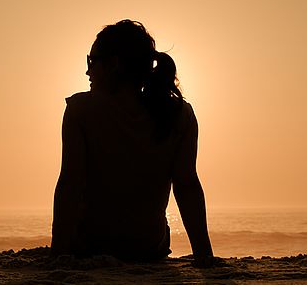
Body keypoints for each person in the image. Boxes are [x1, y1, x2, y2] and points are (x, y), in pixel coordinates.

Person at [51, 19, 214, 267]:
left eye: (91, 61)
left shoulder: (80, 110)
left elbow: (70, 184)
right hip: (149, 248)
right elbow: (187, 185)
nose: (87, 71)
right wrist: (204, 255)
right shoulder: (179, 113)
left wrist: (58, 254)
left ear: (113, 64)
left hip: (91, 246)